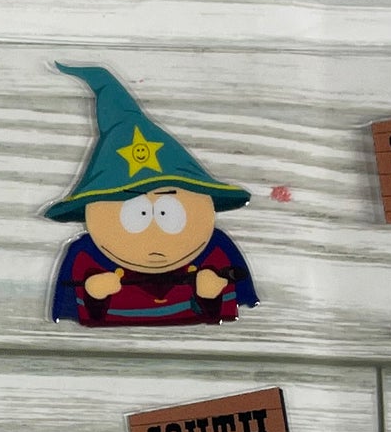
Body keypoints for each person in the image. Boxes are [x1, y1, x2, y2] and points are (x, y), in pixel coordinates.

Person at [45, 63, 256, 326]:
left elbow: (231, 299)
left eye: (168, 213)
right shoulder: (84, 254)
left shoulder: (216, 249)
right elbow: (75, 308)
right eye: (137, 214)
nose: (155, 239)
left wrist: (211, 293)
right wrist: (94, 294)